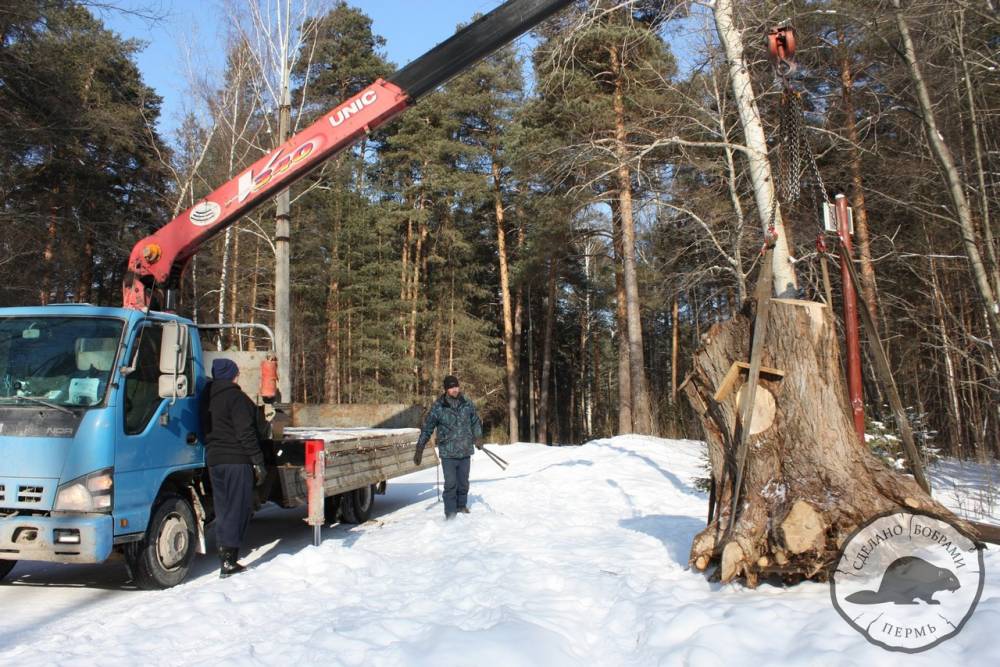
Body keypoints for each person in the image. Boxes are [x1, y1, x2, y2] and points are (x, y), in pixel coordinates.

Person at [200, 358, 266, 578]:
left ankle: (225, 554)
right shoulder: (235, 398)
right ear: (232, 375)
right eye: (236, 373)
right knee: (239, 508)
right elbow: (245, 431)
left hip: (215, 459)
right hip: (236, 460)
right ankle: (229, 560)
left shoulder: (206, 398)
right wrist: (257, 460)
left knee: (224, 508)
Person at [413, 375, 483, 519]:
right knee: (451, 484)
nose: (455, 389)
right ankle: (450, 512)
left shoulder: (466, 403)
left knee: (463, 483)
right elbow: (427, 428)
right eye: (451, 387)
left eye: (456, 386)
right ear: (446, 389)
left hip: (465, 450)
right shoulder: (438, 407)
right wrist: (420, 447)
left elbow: (475, 420)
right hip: (448, 453)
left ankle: (461, 506)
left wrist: (478, 437)